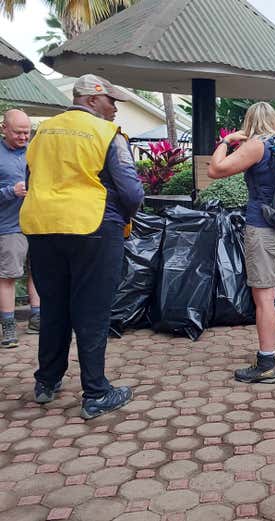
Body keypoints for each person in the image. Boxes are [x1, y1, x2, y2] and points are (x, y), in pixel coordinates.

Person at [22, 74, 143, 419]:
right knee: (92, 311)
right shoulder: (107, 134)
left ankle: (46, 382)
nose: (115, 109)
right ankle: (96, 392)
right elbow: (132, 191)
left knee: (54, 305)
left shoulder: (42, 131)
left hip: (42, 227)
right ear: (91, 99)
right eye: (111, 102)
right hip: (92, 227)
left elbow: (32, 178)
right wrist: (124, 217)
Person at [209, 101, 275, 383]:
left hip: (264, 227)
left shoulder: (257, 145)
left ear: (250, 121)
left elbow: (215, 170)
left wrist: (226, 141)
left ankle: (266, 363)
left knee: (264, 296)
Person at [0, 109, 40, 347]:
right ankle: (8, 327)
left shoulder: (34, 153)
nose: (24, 137)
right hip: (9, 226)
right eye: (19, 132)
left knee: (39, 272)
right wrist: (10, 192)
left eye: (27, 132)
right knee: (8, 277)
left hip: (37, 223)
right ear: (4, 128)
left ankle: (38, 318)